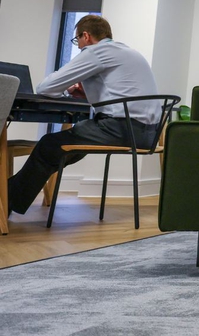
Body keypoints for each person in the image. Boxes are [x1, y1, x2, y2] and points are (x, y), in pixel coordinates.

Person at [7, 15, 160, 215]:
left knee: (49, 145)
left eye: (77, 40)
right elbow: (121, 93)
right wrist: (87, 95)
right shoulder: (129, 52)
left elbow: (45, 87)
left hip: (121, 130)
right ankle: (9, 195)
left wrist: (66, 89)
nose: (78, 46)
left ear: (86, 36)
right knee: (66, 147)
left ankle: (6, 198)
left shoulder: (96, 52)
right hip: (149, 135)